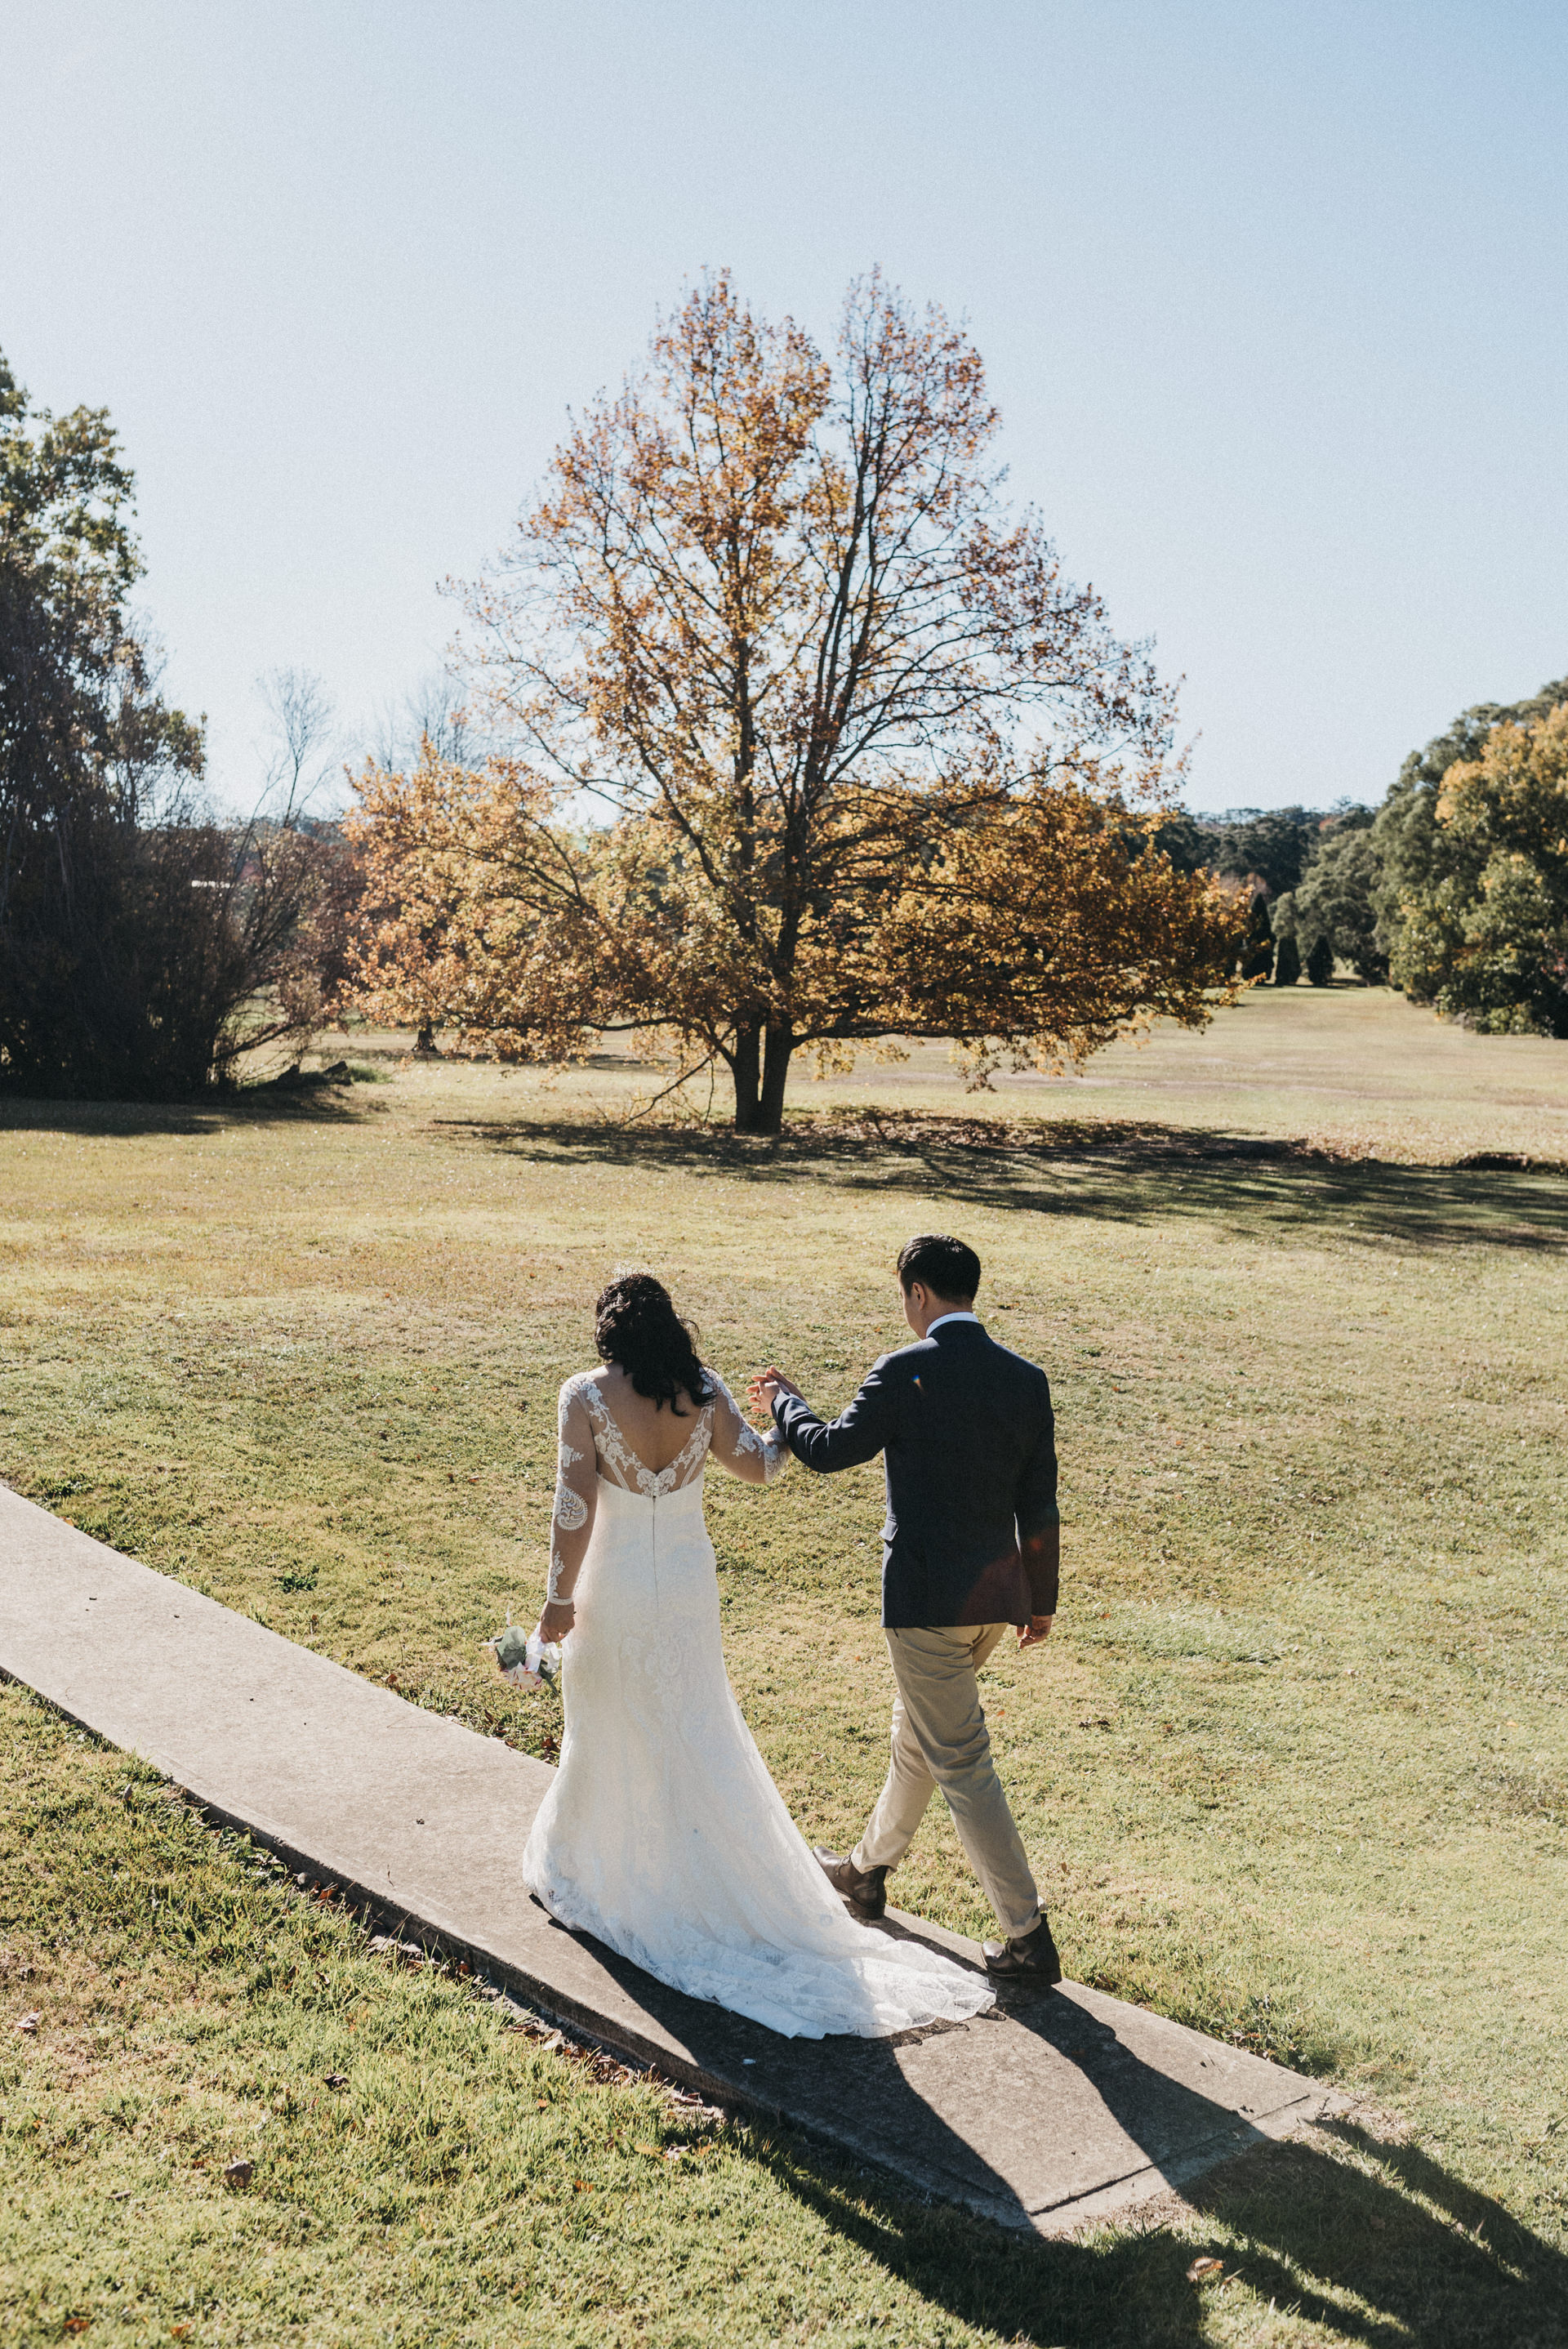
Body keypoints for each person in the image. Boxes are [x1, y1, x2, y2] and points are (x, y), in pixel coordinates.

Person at [523, 1270, 995, 2039]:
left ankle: (612, 1865)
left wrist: (556, 1601)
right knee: (691, 1717)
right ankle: (695, 1866)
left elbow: (573, 1508)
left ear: (607, 1330)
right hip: (683, 1586)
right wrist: (783, 1414)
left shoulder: (585, 1396)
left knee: (608, 1715)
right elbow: (763, 1466)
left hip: (613, 1585)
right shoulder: (702, 1391)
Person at [751, 1233, 1062, 1984]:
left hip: (925, 1602)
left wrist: (784, 1401)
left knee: (961, 1761)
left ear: (918, 1293)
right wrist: (1039, 1601)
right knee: (918, 1739)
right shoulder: (1026, 1379)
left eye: (903, 1295)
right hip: (995, 1602)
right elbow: (1039, 1502)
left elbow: (827, 1451)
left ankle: (1027, 1936)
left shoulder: (905, 1368)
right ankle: (865, 1871)